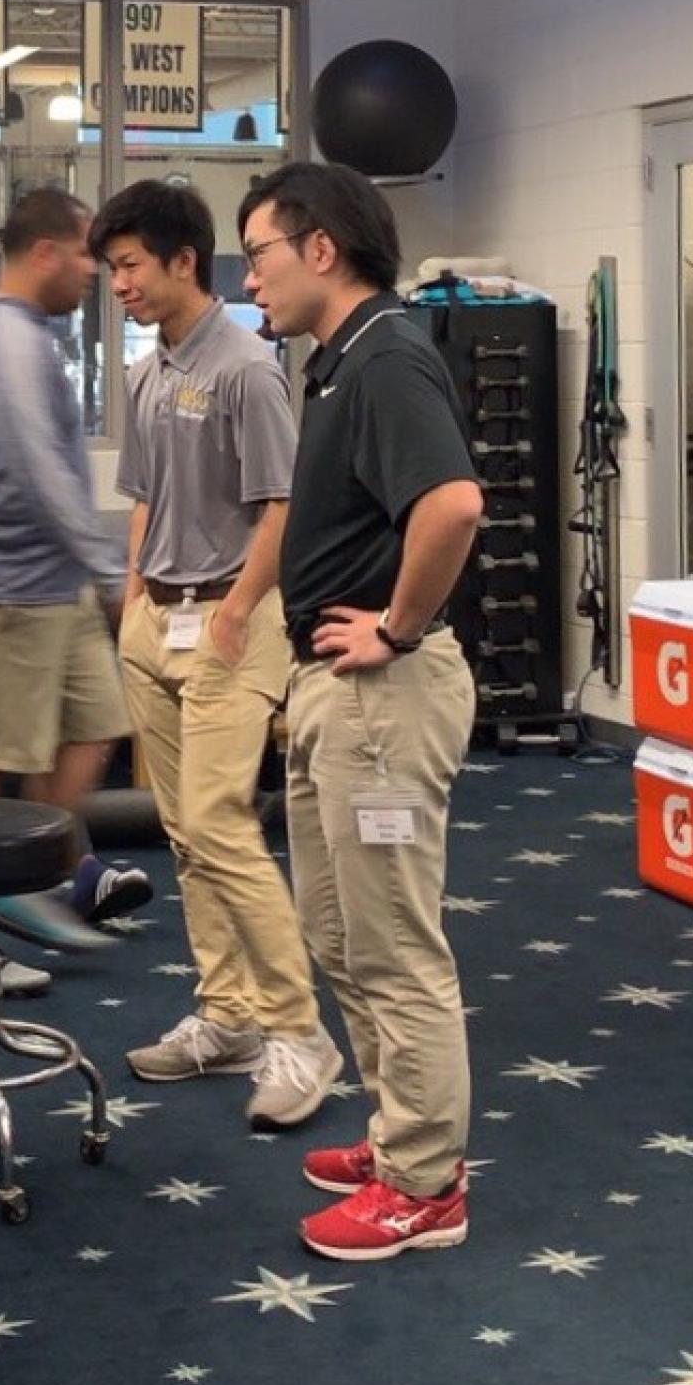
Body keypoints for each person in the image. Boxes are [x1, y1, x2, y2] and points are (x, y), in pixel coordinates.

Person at [238, 161, 482, 1259]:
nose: (253, 276)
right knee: (340, 937)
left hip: (384, 692)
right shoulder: (338, 364)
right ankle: (401, 1139)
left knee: (392, 945)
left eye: (259, 253)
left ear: (321, 248)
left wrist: (397, 626)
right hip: (337, 691)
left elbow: (454, 504)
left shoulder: (385, 355)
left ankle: (426, 1183)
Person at [90, 179, 342, 1130]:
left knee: (224, 824)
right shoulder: (150, 369)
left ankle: (298, 1030)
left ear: (182, 261)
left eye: (128, 267)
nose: (117, 285)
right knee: (188, 833)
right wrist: (132, 598)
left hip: (235, 618)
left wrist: (239, 607)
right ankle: (229, 1013)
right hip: (157, 620)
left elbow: (282, 503)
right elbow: (146, 493)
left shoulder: (247, 367)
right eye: (111, 270)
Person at [0, 187, 151, 960]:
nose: (98, 272)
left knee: (96, 727)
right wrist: (109, 570)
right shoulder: (1, 339)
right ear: (47, 253)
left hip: (53, 586)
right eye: (89, 254)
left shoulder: (29, 334)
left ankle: (39, 883)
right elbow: (34, 465)